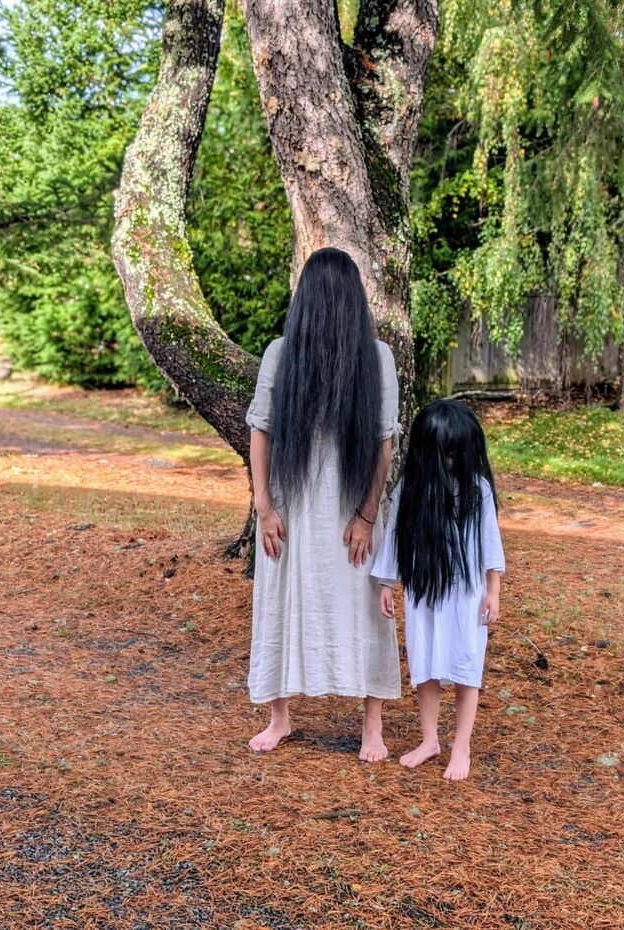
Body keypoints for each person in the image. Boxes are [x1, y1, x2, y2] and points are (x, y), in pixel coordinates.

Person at [245, 247, 401, 761]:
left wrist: (366, 515)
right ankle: (279, 716)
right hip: (292, 505)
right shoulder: (280, 354)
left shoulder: (375, 357)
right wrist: (264, 507)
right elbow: (260, 431)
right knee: (281, 600)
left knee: (365, 605)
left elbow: (384, 443)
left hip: (350, 505)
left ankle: (372, 725)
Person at [371, 399, 505, 780]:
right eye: (442, 451)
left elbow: (490, 543)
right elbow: (396, 537)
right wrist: (387, 582)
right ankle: (430, 740)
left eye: (454, 451)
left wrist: (493, 590)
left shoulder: (477, 488)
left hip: (466, 596)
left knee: (466, 667)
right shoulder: (410, 488)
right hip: (424, 590)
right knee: (425, 665)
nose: (449, 459)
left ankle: (461, 746)